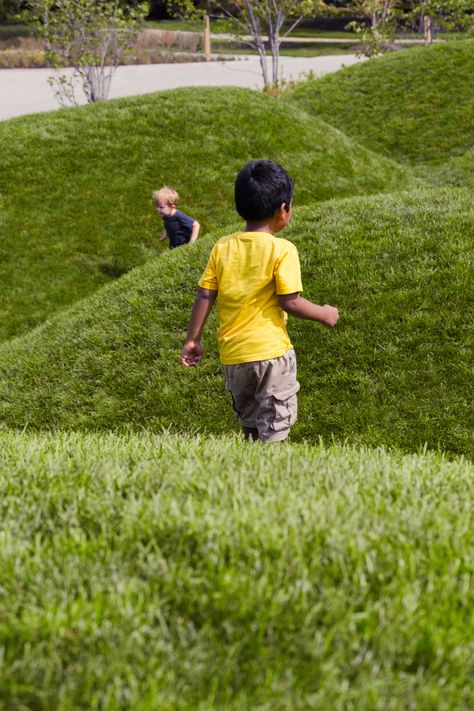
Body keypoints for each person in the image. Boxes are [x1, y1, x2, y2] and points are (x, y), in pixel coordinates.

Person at [181, 159, 339, 443]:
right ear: (283, 209)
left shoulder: (223, 246)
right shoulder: (283, 249)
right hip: (270, 356)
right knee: (275, 427)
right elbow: (289, 302)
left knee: (251, 424)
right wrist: (324, 313)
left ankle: (253, 469)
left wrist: (193, 339)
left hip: (234, 358)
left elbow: (205, 293)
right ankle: (273, 474)